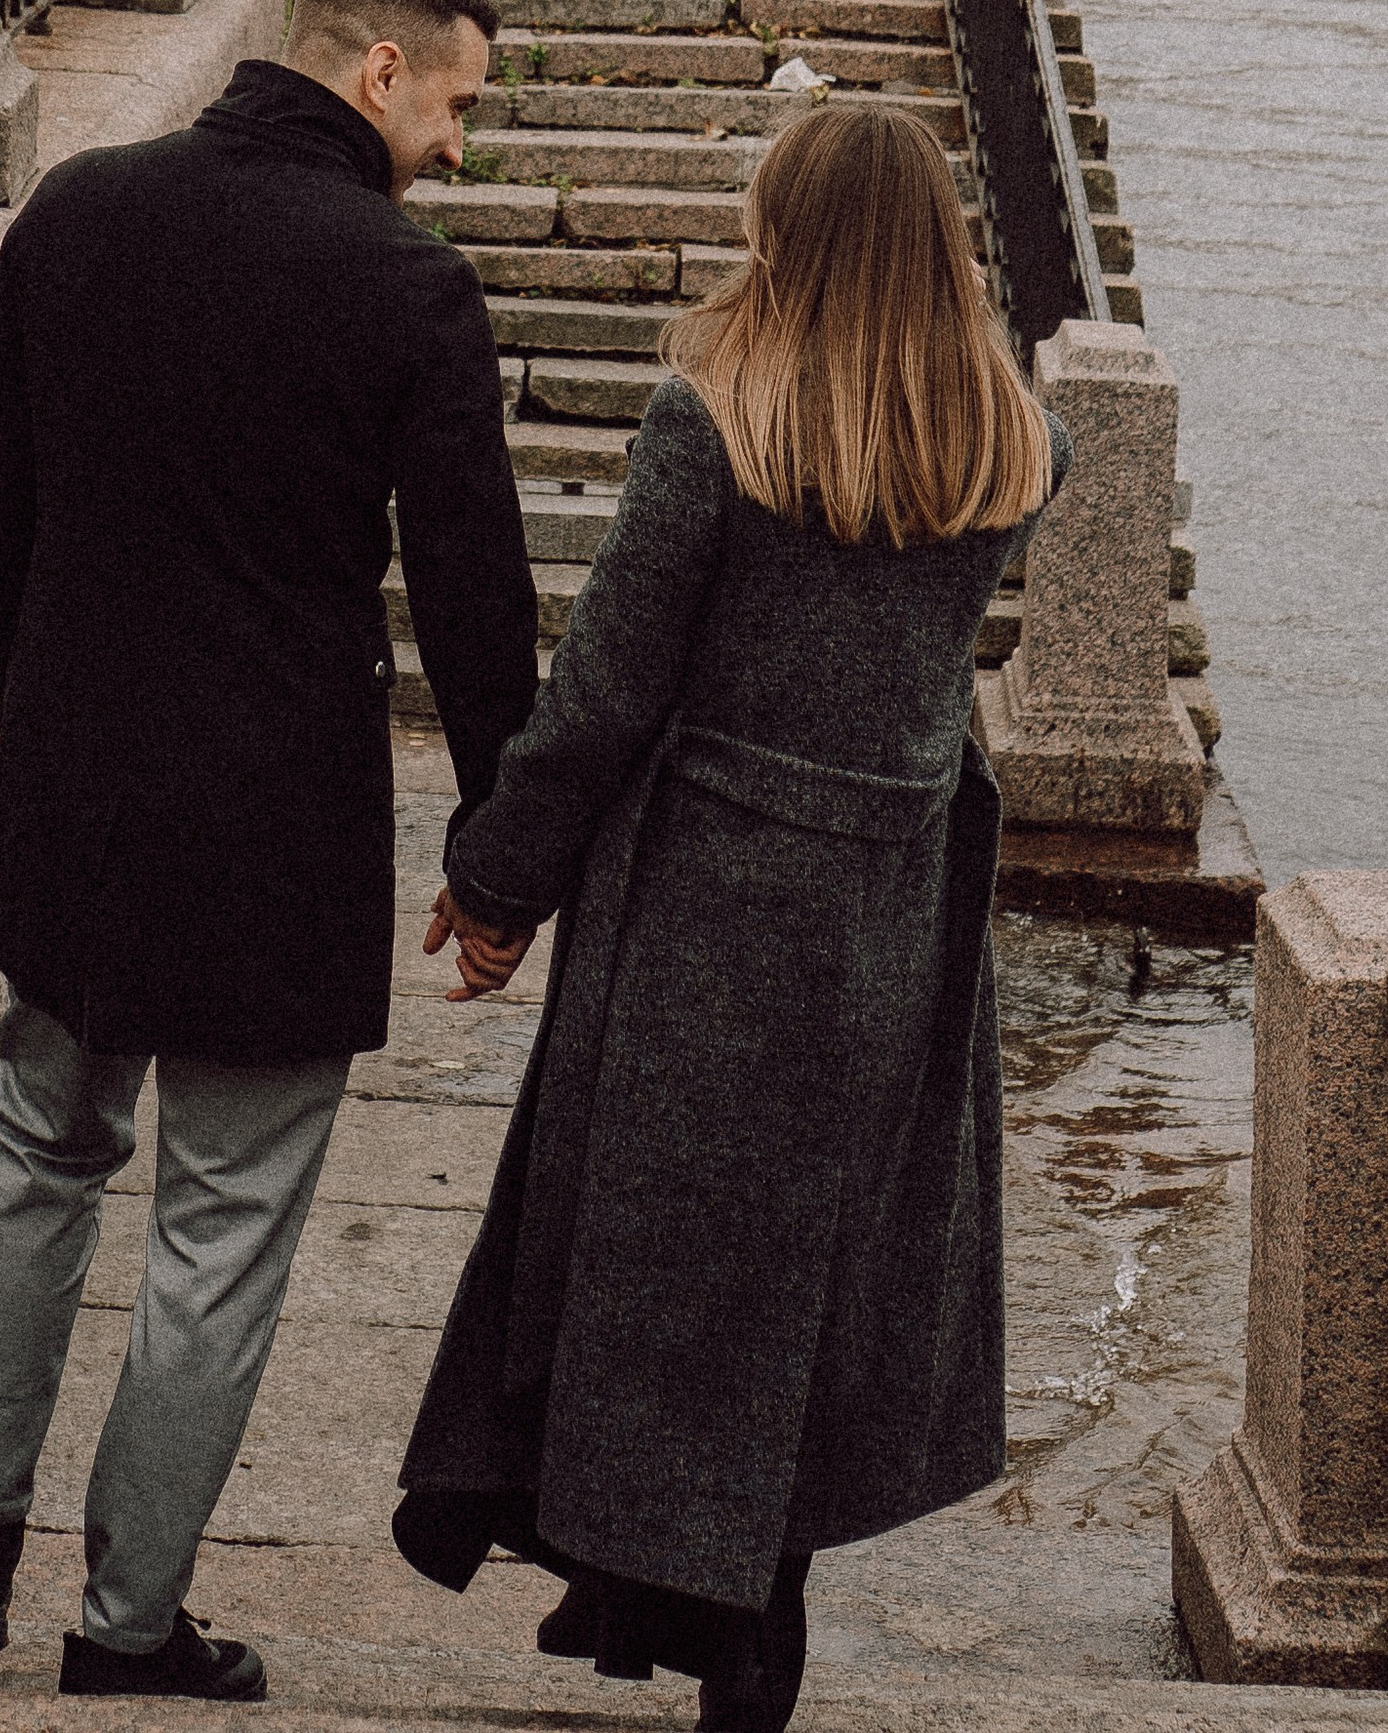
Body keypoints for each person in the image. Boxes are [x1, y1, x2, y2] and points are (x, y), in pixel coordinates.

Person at [0, 0, 543, 1702]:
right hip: (280, 833)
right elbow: (477, 604)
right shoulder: (408, 293)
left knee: (40, 1142)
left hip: (83, 791)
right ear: (378, 74)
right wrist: (502, 852)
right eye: (458, 108)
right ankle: (125, 1630)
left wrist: (36, 724)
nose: (460, 150)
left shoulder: (79, 214)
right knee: (222, 1225)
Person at [393, 97, 1064, 1733]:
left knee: (652, 1254)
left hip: (711, 892)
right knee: (811, 1274)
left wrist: (496, 882)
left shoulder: (722, 418)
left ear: (786, 227)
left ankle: (695, 1609)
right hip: (893, 905)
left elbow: (614, 685)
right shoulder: (1005, 441)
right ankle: (703, 1604)